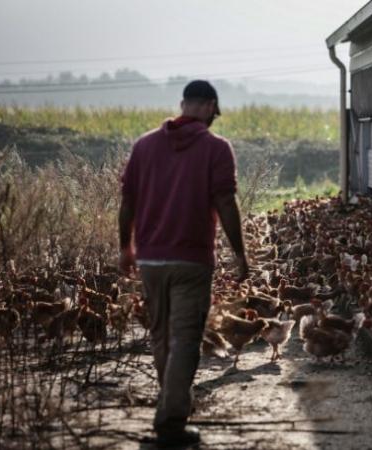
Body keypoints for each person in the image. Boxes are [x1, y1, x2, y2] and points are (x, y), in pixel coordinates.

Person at [118, 80, 249, 447]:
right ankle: (171, 420)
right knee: (186, 339)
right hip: (191, 260)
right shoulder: (216, 148)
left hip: (150, 259)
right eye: (213, 114)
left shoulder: (144, 146)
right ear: (208, 106)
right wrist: (240, 253)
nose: (212, 121)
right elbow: (225, 204)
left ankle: (171, 404)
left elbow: (127, 202)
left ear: (183, 104)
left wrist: (124, 248)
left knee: (161, 337)